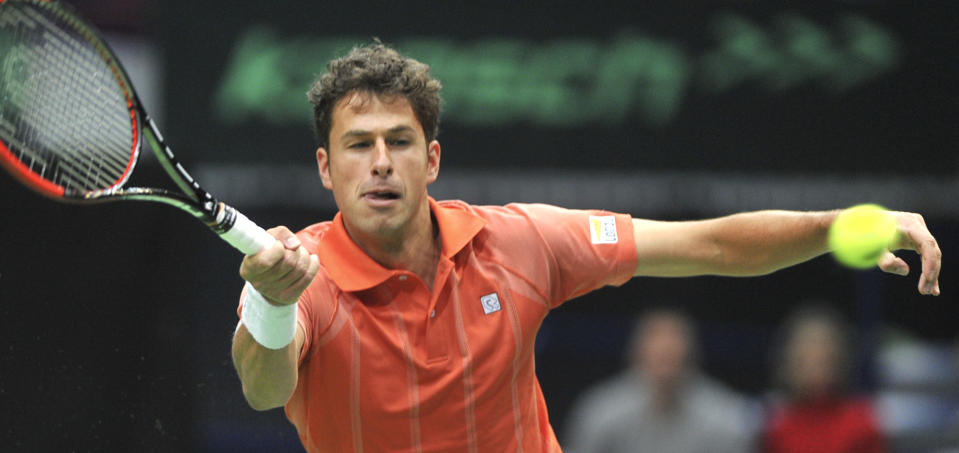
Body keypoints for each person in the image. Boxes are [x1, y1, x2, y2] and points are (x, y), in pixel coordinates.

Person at [230, 41, 941, 453]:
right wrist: (271, 303)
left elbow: (710, 244)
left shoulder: (518, 242)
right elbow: (265, 390)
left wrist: (836, 223)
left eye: (399, 141)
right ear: (326, 168)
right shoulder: (296, 272)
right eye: (358, 145)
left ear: (433, 158)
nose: (380, 161)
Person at [565, 309, 756, 453]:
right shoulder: (601, 411)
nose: (666, 360)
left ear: (691, 355)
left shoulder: (726, 417)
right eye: (660, 356)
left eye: (672, 355)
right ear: (637, 354)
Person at [762, 306, 885, 453]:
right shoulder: (776, 425)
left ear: (838, 361)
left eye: (823, 361)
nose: (815, 372)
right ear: (790, 364)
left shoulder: (860, 422)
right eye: (806, 361)